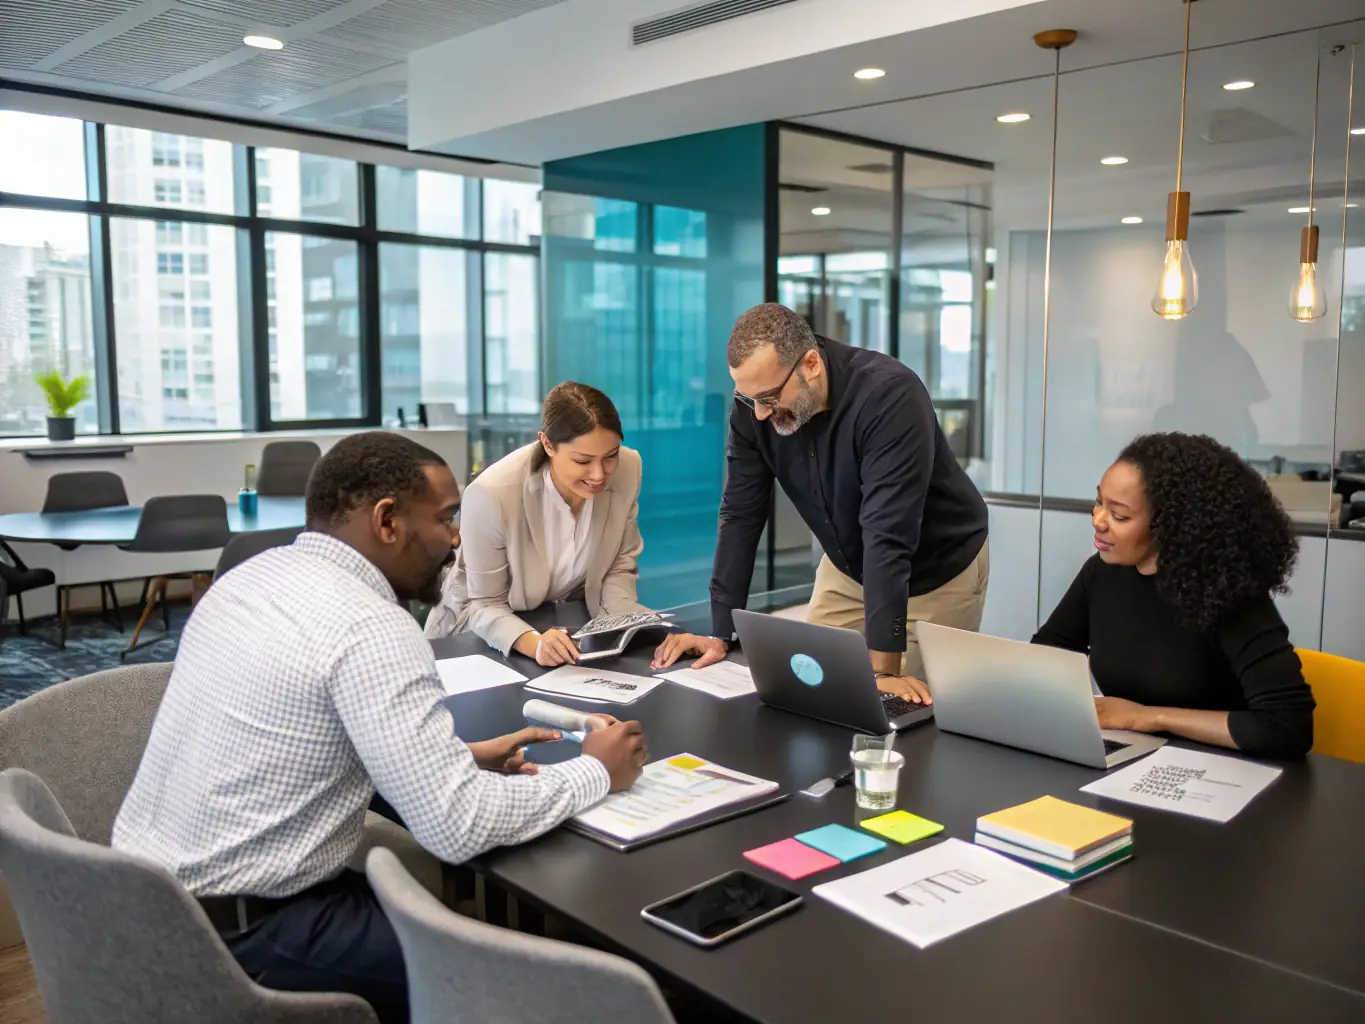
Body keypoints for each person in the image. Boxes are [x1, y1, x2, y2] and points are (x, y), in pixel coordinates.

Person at [112, 432, 648, 1022]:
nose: (455, 538)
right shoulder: (371, 626)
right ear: (387, 521)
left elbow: (290, 739)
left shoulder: (250, 578)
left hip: (148, 903)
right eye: (446, 518)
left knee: (457, 925)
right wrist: (596, 770)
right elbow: (460, 826)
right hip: (248, 933)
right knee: (526, 991)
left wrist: (454, 757)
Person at [653, 303, 990, 701]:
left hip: (938, 571)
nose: (759, 414)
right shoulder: (753, 404)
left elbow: (888, 536)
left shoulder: (890, 395)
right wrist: (720, 633)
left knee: (901, 710)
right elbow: (741, 513)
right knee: (808, 689)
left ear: (810, 364)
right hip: (848, 567)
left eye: (768, 397)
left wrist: (882, 673)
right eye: (748, 399)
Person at [1032, 432, 1315, 760]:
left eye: (1120, 515)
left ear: (1172, 524)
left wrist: (1147, 716)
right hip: (1132, 760)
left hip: (1222, 772)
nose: (1098, 520)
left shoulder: (1229, 593)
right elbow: (1048, 659)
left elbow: (1287, 726)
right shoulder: (1102, 573)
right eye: (1099, 502)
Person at [425, 381, 654, 667]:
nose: (599, 474)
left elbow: (617, 566)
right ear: (547, 444)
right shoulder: (493, 493)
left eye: (610, 456)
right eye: (583, 461)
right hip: (482, 639)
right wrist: (535, 643)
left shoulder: (628, 468)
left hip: (564, 632)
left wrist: (625, 624)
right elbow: (484, 605)